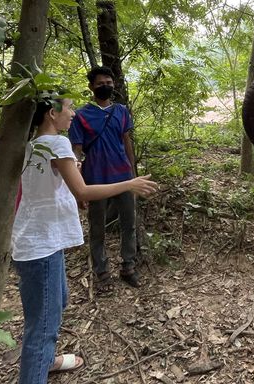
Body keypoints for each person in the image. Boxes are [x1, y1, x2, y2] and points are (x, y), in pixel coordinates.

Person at [12, 95, 157, 384]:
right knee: (42, 326)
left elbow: (46, 188)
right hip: (40, 244)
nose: (73, 113)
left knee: (58, 300)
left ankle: (46, 359)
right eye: (68, 108)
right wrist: (130, 183)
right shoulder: (57, 143)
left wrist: (70, 189)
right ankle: (36, 369)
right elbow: (84, 192)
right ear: (52, 114)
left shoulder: (33, 146)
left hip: (34, 238)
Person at [68, 66, 140, 289]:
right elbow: (77, 150)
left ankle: (128, 266)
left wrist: (133, 171)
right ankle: (101, 272)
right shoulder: (80, 116)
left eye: (109, 82)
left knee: (129, 223)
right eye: (100, 83)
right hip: (95, 179)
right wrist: (76, 183)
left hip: (123, 177)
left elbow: (126, 140)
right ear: (91, 87)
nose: (106, 86)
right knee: (97, 227)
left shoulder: (121, 111)